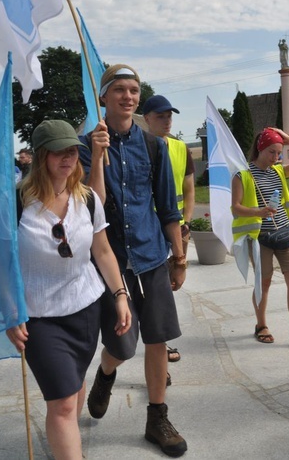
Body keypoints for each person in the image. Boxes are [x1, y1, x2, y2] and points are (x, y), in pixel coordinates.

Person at [5, 119, 132, 460]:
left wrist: (120, 295)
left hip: (85, 309)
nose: (68, 158)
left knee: (74, 389)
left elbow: (102, 251)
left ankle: (67, 447)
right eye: (59, 152)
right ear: (41, 155)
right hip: (38, 317)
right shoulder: (16, 202)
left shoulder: (87, 198)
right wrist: (9, 311)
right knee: (62, 402)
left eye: (73, 150)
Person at [78, 64, 188, 457]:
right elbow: (93, 207)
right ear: (103, 97)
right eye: (119, 90)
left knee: (158, 338)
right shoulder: (83, 145)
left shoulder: (154, 146)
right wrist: (96, 153)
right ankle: (107, 372)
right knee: (123, 346)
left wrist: (179, 257)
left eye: (134, 90)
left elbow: (167, 206)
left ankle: (157, 417)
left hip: (152, 255)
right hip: (112, 261)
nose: (128, 96)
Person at [231, 127, 289, 350]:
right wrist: (257, 212)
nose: (276, 158)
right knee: (264, 282)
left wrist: (287, 137)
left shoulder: (279, 171)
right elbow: (235, 208)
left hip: (284, 232)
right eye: (272, 152)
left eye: (279, 153)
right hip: (260, 236)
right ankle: (261, 325)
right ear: (260, 149)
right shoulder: (242, 175)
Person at [143, 94, 195, 365]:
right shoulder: (138, 146)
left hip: (174, 227)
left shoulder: (180, 147)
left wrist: (185, 224)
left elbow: (188, 188)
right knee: (155, 290)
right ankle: (159, 347)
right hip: (146, 229)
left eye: (169, 116)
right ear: (147, 119)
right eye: (160, 116)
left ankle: (161, 341)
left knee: (170, 286)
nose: (167, 121)